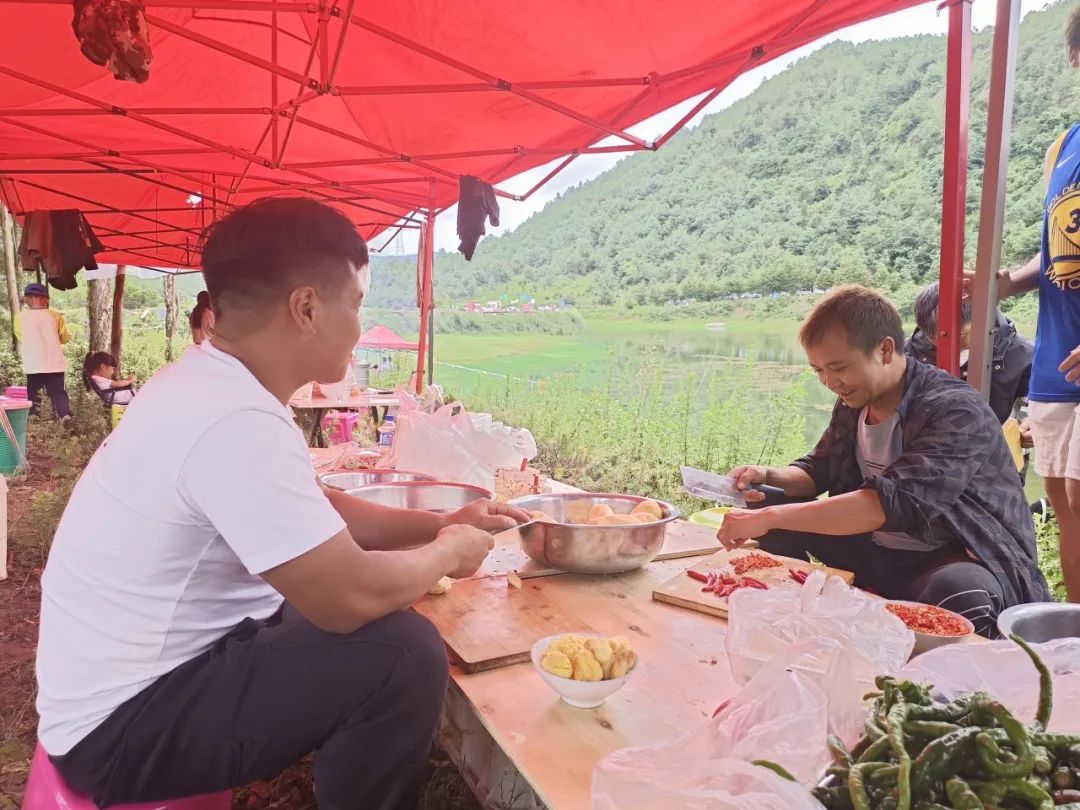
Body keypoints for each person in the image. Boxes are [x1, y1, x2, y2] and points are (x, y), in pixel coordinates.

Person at [35, 197, 530, 810]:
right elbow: (347, 599)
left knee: (368, 620)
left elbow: (320, 511)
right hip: (121, 731)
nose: (358, 323)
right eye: (356, 304)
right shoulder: (233, 418)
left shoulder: (207, 384)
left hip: (121, 692)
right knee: (404, 653)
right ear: (306, 307)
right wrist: (448, 551)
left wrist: (439, 523)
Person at [717, 285, 1050, 637]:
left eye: (839, 367)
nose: (830, 383)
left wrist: (771, 518)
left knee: (962, 592)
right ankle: (796, 617)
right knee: (763, 499)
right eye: (818, 371)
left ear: (885, 349)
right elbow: (819, 470)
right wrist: (767, 475)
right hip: (876, 548)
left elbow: (892, 504)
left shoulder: (954, 408)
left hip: (944, 557)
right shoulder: (854, 399)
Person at [971, 8, 1080, 601]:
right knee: (1067, 507)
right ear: (1075, 58)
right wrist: (1007, 282)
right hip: (1056, 367)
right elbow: (1060, 248)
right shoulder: (1065, 145)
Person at [907, 281, 1033, 425]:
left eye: (959, 336)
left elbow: (1031, 410)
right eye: (932, 338)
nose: (946, 345)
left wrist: (1029, 423)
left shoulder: (1025, 356)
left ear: (982, 316)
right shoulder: (907, 353)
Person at [13, 282, 71, 421]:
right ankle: (65, 415)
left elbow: (21, 337)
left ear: (28, 299)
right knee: (58, 393)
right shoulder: (56, 316)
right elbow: (64, 338)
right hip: (54, 362)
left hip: (34, 363)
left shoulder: (20, 317)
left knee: (34, 392)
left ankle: (34, 416)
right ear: (46, 299)